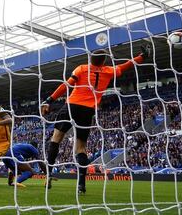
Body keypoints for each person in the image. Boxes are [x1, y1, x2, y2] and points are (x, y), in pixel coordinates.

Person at [42, 46, 147, 194]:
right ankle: (81, 185)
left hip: (71, 106)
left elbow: (66, 85)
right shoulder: (108, 71)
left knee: (56, 139)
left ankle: (49, 172)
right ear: (104, 61)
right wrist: (141, 57)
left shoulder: (82, 69)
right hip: (88, 111)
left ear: (90, 59)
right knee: (81, 148)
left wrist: (49, 99)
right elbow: (126, 65)